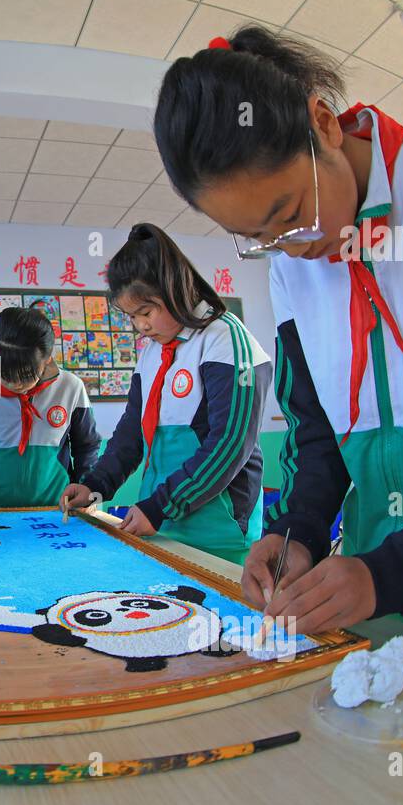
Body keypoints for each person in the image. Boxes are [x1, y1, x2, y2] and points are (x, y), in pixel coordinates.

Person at [154, 24, 403, 654]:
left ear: (322, 124)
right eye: (258, 239)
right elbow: (315, 437)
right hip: (372, 600)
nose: (291, 247)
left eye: (290, 214)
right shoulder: (293, 267)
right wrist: (296, 533)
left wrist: (394, 572)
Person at [63, 224, 270, 565]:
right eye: (132, 317)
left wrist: (161, 506)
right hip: (159, 525)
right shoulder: (151, 354)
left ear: (176, 289)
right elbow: (131, 433)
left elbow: (230, 444)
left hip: (217, 533)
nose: (140, 326)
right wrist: (95, 485)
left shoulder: (226, 340)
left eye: (146, 312)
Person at [0, 305, 99, 509]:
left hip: (57, 509)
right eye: (6, 374)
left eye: (26, 376)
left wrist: (87, 487)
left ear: (46, 360)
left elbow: (87, 446)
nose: (15, 384)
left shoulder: (70, 388)